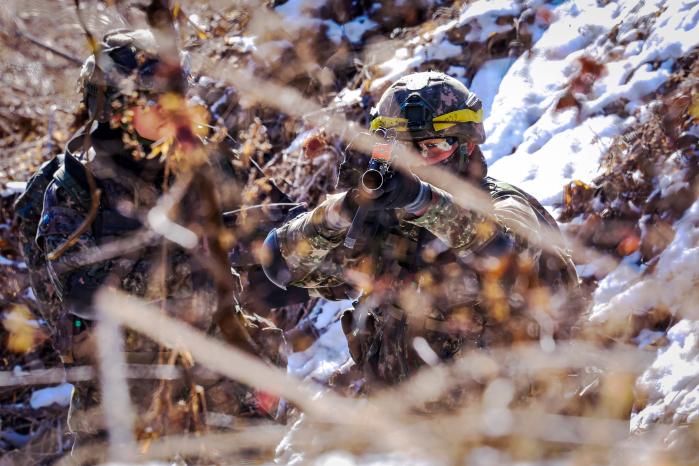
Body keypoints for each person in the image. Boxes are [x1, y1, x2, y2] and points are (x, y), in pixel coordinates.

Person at [13, 29, 293, 436]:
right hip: (123, 378)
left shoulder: (210, 159)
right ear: (115, 108)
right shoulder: (76, 184)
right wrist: (188, 255)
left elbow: (280, 225)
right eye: (154, 99)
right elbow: (79, 291)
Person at [262, 71, 580, 388]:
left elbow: (506, 250)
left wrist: (422, 200)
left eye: (434, 145)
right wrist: (343, 210)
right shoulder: (388, 226)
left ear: (467, 145)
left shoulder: (504, 204)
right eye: (404, 148)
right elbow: (281, 264)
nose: (419, 161)